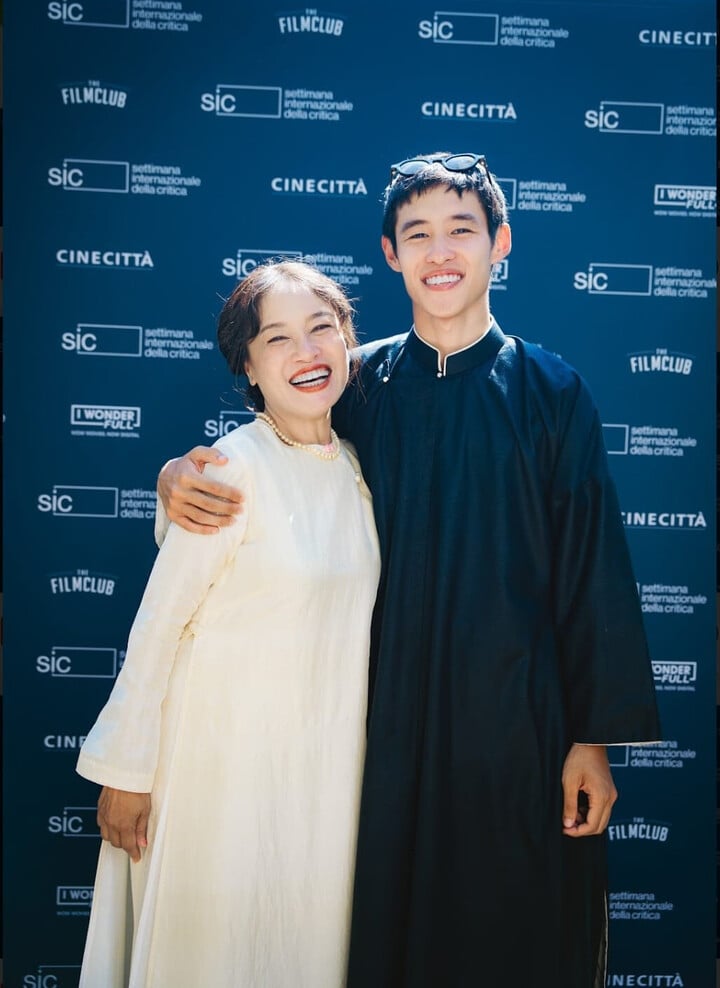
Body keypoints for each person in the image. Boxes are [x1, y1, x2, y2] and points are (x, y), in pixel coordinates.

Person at [158, 152, 660, 987]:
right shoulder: (354, 384)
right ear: (389, 254)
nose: (440, 252)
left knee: (517, 928)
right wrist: (173, 479)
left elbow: (590, 568)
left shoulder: (550, 392)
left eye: (461, 230)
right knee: (374, 933)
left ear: (500, 242)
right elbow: (260, 470)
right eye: (416, 233)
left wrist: (589, 739)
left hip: (516, 727)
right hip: (369, 722)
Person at [75, 260, 381, 988]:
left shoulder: (361, 470)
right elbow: (159, 624)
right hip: (214, 777)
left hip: (316, 780)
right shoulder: (229, 470)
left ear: (347, 340)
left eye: (321, 328)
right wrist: (126, 771)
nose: (305, 352)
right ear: (248, 365)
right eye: (276, 338)